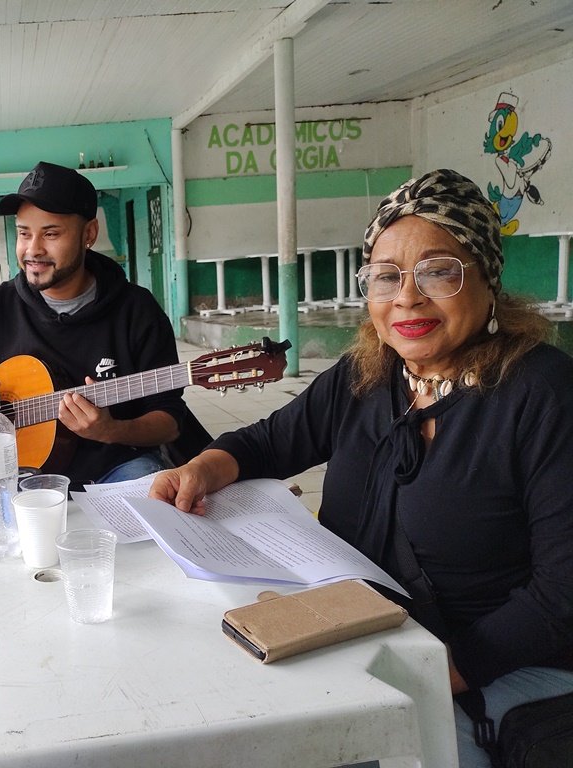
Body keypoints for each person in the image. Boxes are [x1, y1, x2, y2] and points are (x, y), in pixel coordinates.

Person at [148, 169, 573, 767]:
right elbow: (269, 443)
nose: (406, 297)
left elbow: (561, 596)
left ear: (487, 278)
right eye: (385, 276)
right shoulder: (366, 376)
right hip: (362, 637)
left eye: (438, 270)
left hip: (498, 667)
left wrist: (434, 672)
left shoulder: (544, 396)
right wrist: (204, 467)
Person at [0, 160, 187, 488]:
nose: (33, 249)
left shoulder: (137, 310)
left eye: (51, 234)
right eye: (24, 233)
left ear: (89, 233)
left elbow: (169, 421)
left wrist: (111, 430)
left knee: (154, 494)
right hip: (19, 471)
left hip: (114, 466)